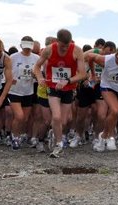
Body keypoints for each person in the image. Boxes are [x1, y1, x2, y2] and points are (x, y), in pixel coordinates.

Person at [33, 29, 86, 158]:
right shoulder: (49, 50)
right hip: (53, 87)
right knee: (56, 117)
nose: (64, 49)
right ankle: (59, 144)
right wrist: (40, 77)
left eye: (67, 46)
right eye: (62, 46)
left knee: (63, 121)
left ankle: (54, 133)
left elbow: (83, 74)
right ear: (57, 42)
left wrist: (67, 80)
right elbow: (36, 67)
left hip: (68, 88)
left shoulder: (77, 50)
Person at [8, 36, 39, 150]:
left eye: (29, 48)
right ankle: (14, 137)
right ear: (21, 46)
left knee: (24, 118)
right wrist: (10, 78)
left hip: (28, 91)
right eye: (25, 47)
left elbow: (38, 73)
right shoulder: (13, 57)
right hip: (14, 91)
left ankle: (17, 134)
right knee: (19, 116)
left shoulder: (36, 58)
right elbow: (6, 71)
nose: (27, 50)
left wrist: (35, 76)